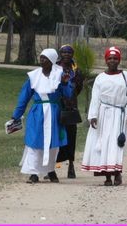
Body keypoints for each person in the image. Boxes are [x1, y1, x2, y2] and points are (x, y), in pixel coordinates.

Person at [11, 48, 74, 183]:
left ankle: (50, 170)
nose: (42, 60)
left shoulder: (60, 74)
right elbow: (24, 97)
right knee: (34, 142)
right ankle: (33, 173)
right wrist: (16, 115)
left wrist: (64, 83)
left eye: (45, 58)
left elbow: (68, 94)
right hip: (38, 112)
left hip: (54, 112)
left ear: (51, 61)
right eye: (41, 58)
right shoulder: (33, 76)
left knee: (53, 143)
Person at [81, 46, 127, 186]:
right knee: (103, 145)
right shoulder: (100, 78)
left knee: (116, 144)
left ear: (119, 60)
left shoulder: (126, 76)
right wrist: (93, 115)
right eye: (110, 58)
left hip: (119, 116)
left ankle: (117, 173)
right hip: (103, 115)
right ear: (106, 60)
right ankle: (107, 176)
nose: (112, 61)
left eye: (115, 58)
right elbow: (95, 98)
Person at [48, 44, 84, 181]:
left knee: (71, 136)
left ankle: (71, 165)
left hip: (70, 108)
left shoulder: (76, 70)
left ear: (72, 54)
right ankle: (50, 167)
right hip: (56, 106)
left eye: (69, 52)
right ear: (60, 54)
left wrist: (71, 98)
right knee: (54, 136)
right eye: (64, 52)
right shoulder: (54, 68)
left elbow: (78, 88)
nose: (67, 54)